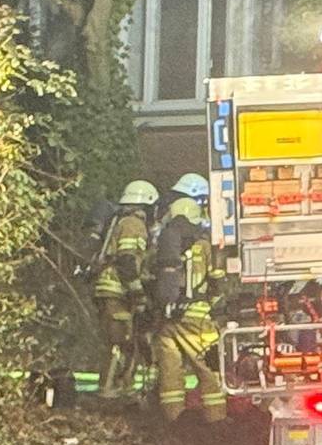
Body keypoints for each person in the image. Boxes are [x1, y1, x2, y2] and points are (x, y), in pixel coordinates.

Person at [150, 172, 227, 423]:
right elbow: (216, 280)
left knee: (170, 374)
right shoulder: (204, 245)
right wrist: (216, 307)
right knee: (209, 369)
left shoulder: (164, 242)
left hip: (167, 319)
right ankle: (216, 420)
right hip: (197, 319)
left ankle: (172, 420)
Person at [93, 179, 158, 407]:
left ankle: (124, 390)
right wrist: (139, 294)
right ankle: (108, 394)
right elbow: (127, 260)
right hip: (117, 290)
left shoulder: (123, 221)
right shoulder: (133, 224)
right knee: (120, 342)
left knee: (127, 341)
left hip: (114, 290)